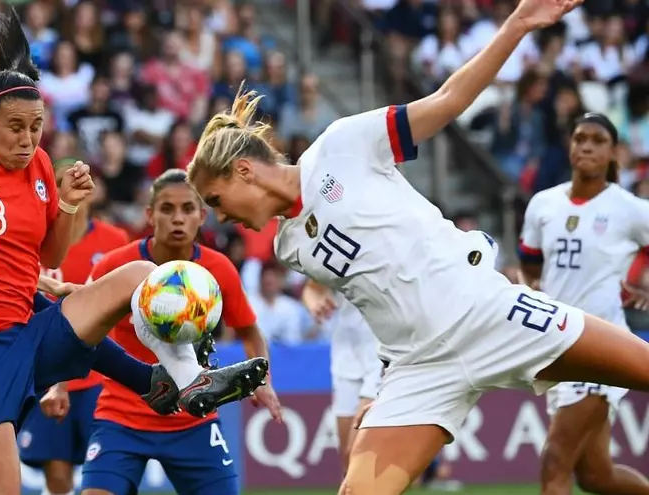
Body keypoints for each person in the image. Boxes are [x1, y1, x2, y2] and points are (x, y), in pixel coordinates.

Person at [185, 0, 649, 492]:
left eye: (215, 199)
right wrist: (378, 388)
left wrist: (518, 24)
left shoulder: (342, 145)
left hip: (490, 313)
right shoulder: (290, 247)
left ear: (243, 170)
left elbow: (448, 100)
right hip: (420, 369)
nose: (219, 216)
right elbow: (379, 300)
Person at [0, 11, 267, 494]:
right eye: (15, 127)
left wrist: (70, 202)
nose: (28, 139)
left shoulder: (39, 166)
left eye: (36, 127)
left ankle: (180, 379)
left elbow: (49, 250)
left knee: (140, 271)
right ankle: (148, 380)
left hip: (27, 331)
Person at [80, 169, 282, 495]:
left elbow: (249, 331)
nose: (178, 218)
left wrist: (265, 382)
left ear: (202, 216)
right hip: (122, 416)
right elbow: (80, 324)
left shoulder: (218, 269)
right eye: (167, 209)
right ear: (150, 214)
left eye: (187, 209)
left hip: (193, 418)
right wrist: (59, 387)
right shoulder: (116, 264)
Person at [519, 113, 649, 495]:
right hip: (556, 347)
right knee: (596, 477)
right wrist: (531, 289)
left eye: (597, 140)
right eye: (579, 138)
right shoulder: (543, 204)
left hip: (600, 347)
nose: (586, 146)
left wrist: (642, 283)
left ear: (614, 153)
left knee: (554, 462)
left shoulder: (629, 208)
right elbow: (530, 264)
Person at [19, 160, 130, 495]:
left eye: (82, 180)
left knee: (102, 475)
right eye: (61, 181)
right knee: (57, 475)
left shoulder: (115, 240)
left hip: (98, 376)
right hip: (46, 372)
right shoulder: (34, 240)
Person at [300, 280, 381, 477]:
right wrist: (315, 305)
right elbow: (312, 288)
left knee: (357, 453)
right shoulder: (342, 251)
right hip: (346, 354)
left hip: (382, 352)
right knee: (347, 462)